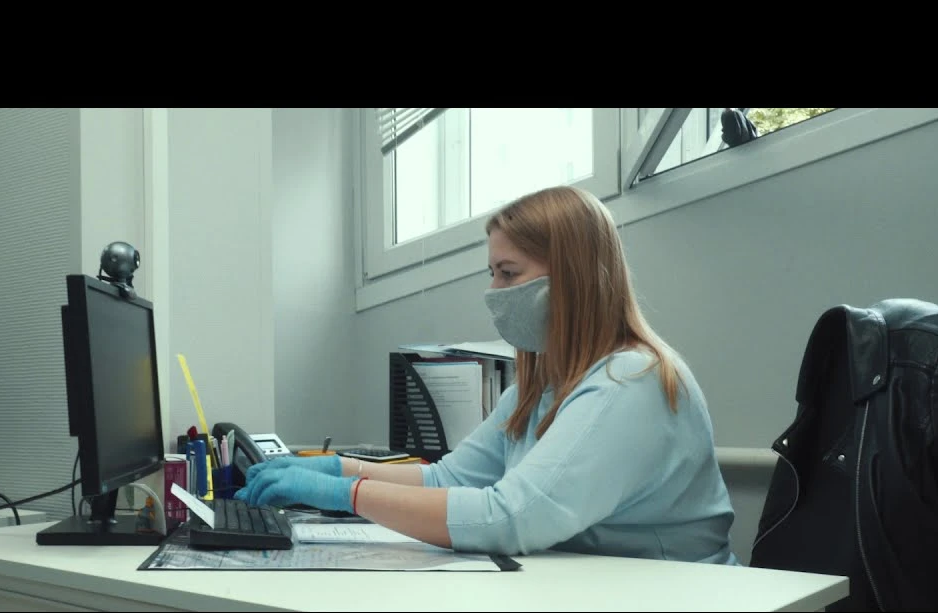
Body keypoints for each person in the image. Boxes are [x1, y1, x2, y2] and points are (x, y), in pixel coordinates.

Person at [234, 185, 740, 564]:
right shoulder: (541, 388)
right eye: (492, 273)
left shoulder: (630, 382)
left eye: (509, 273)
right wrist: (337, 468)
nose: (495, 291)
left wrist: (346, 495)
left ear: (572, 278)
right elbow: (447, 478)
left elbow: (511, 516)